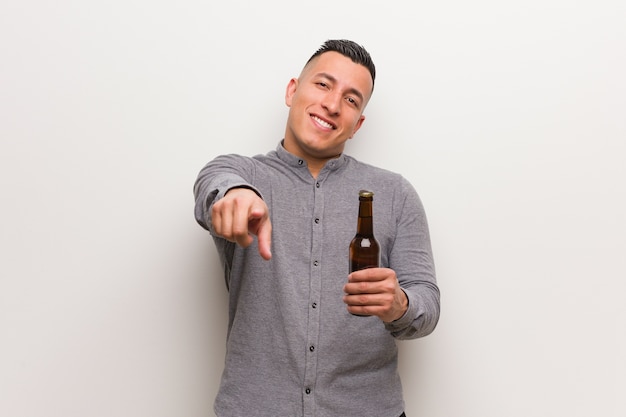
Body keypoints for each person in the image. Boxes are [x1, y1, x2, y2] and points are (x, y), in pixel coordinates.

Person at [194, 39, 440, 417]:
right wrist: (236, 195)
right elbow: (214, 184)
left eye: (351, 99)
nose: (332, 104)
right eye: (323, 85)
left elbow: (427, 301)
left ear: (357, 124)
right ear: (293, 91)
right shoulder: (244, 174)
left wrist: (400, 305)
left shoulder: (395, 194)